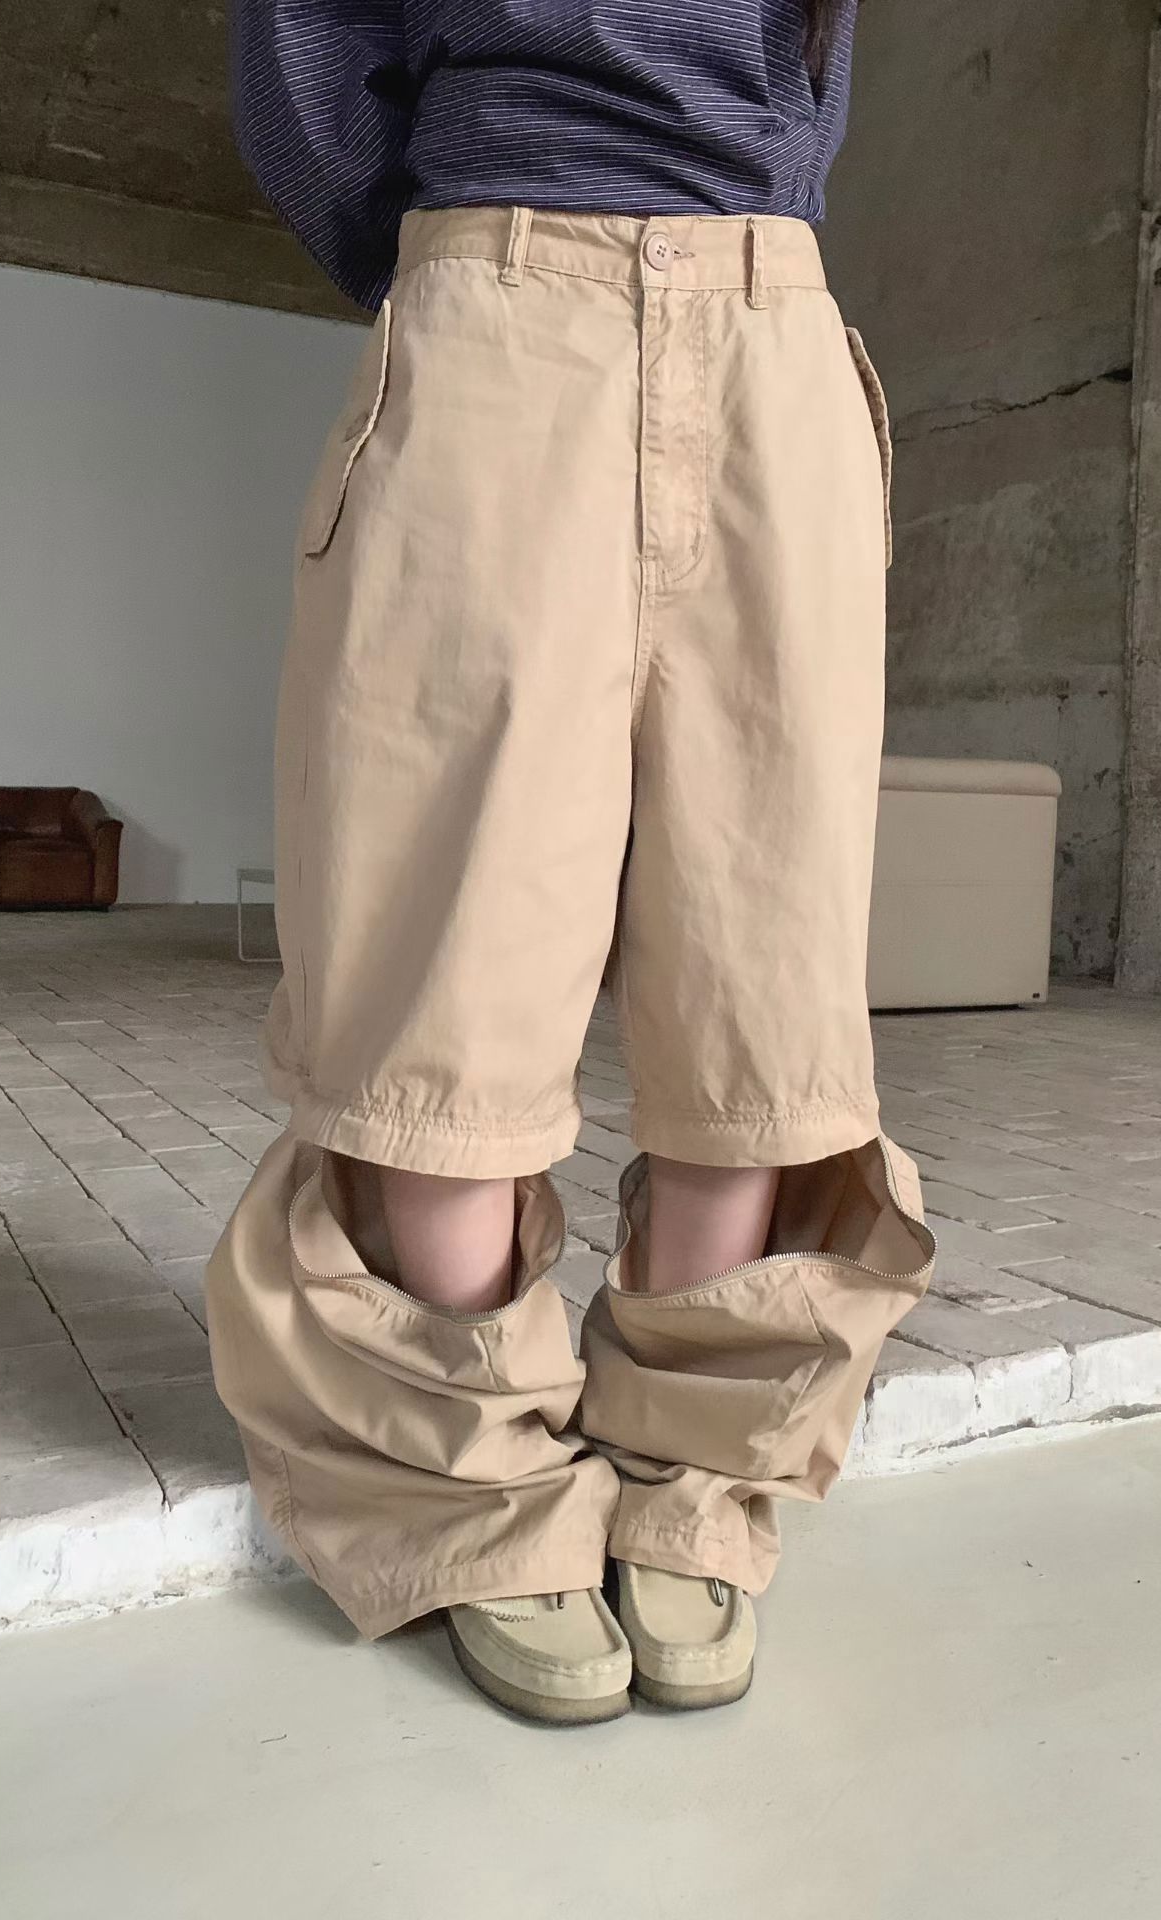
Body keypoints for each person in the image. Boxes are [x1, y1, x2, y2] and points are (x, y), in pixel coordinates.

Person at [207, 0, 937, 1725]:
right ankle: (469, 1477)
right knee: (450, 959)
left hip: (774, 317)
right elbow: (308, 61)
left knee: (759, 963)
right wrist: (463, 252)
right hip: (497, 301)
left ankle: (693, 1462)